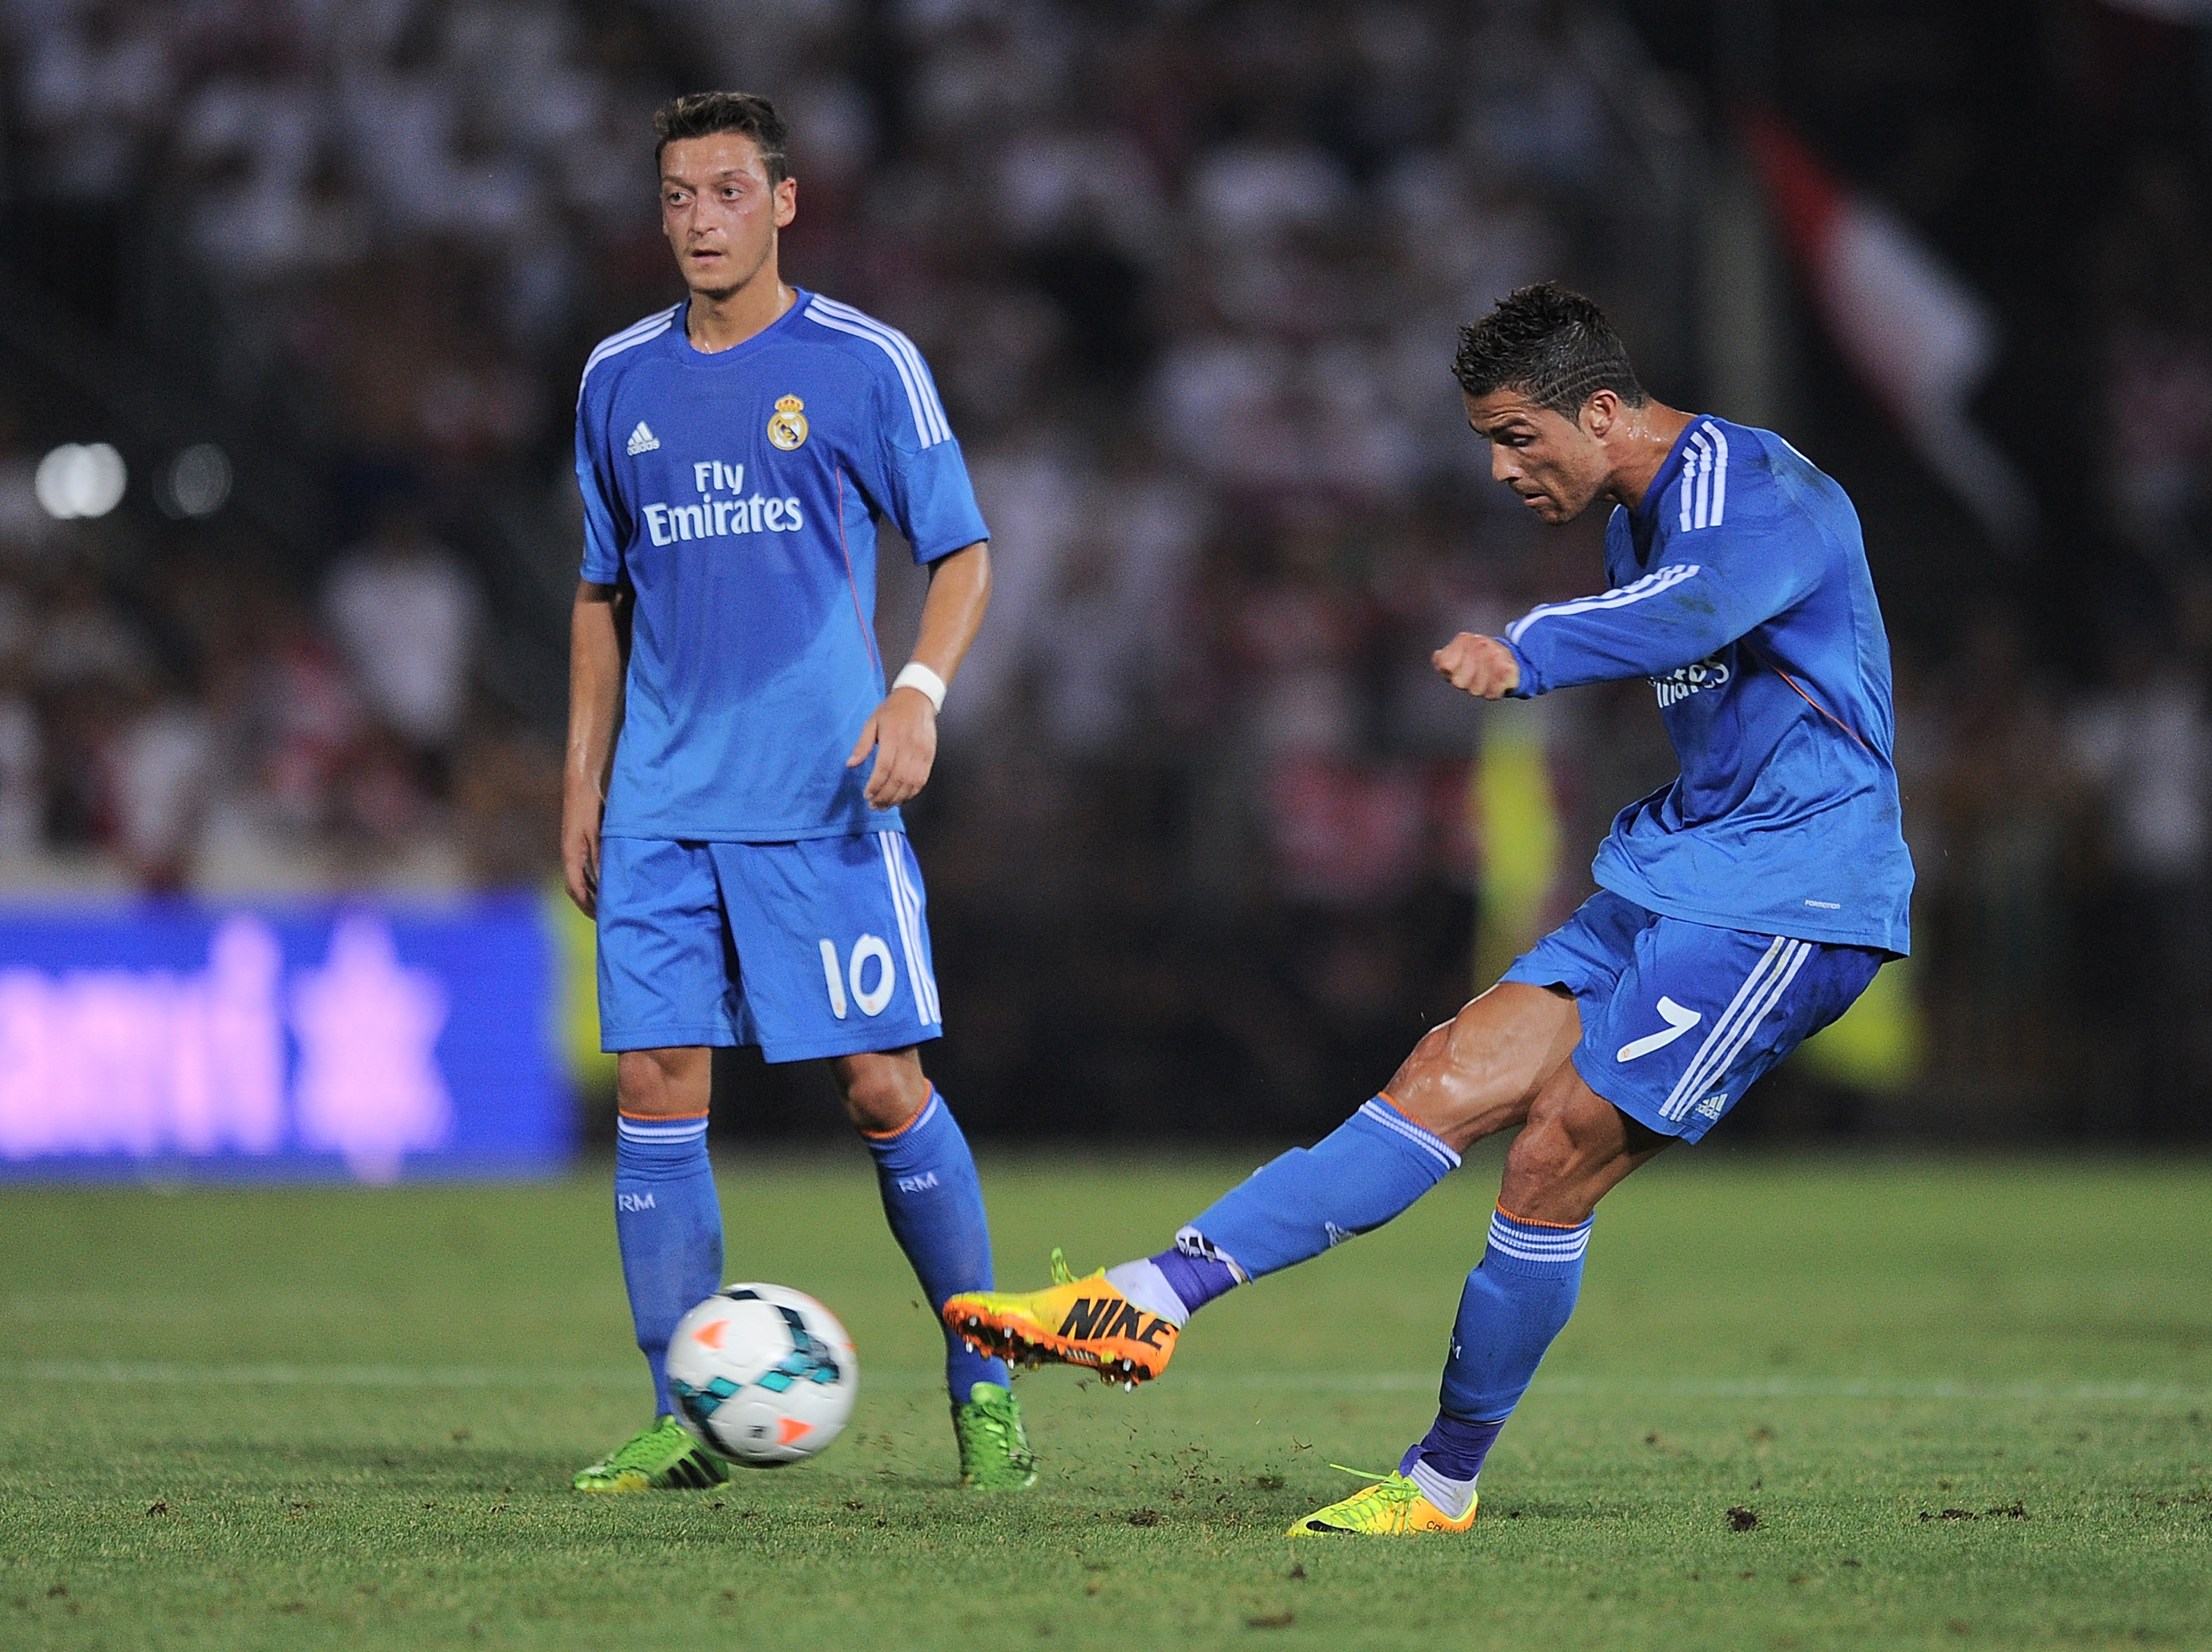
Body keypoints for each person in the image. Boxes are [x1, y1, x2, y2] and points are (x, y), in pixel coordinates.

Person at [944, 282, 1915, 1535]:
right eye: (1487, 443)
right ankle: (1148, 1295)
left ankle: (1441, 1481)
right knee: (1446, 1072)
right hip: (1683, 866)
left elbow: (1699, 610)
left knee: (1554, 1152)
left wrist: (1534, 648)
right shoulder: (1638, 515)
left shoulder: (1753, 488)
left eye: (1519, 437)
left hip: (1796, 889)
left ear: (1605, 409)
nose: (1503, 470)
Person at [562, 91, 1029, 1494]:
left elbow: (963, 556)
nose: (698, 219)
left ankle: (984, 1377)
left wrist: (916, 695)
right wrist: (581, 782)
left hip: (820, 798)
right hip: (658, 801)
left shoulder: (863, 363)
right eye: (675, 196)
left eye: (723, 191)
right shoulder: (615, 379)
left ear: (784, 200)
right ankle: (680, 1416)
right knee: (654, 1083)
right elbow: (597, 593)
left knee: (884, 1088)